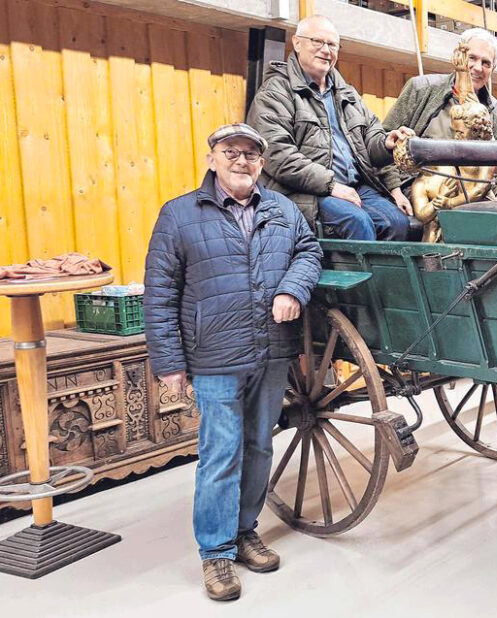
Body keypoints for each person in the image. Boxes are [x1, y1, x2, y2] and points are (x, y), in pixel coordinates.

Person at [144, 123, 322, 601]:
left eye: (250, 154)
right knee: (222, 454)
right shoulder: (179, 215)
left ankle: (245, 531)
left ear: (261, 163)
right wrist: (169, 363)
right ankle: (216, 554)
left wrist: (292, 288)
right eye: (231, 152)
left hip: (270, 350)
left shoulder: (282, 210)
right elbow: (160, 295)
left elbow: (309, 252)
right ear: (212, 159)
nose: (241, 161)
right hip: (214, 355)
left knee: (260, 446)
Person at [247, 15, 414, 239]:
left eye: (332, 44)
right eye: (317, 41)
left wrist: (386, 144)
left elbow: (370, 136)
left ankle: (381, 275)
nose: (326, 50)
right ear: (297, 43)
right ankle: (356, 275)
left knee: (397, 223)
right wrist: (331, 185)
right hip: (303, 191)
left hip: (353, 185)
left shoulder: (347, 93)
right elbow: (278, 155)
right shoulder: (275, 93)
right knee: (357, 222)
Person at [381, 27, 497, 201]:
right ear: (459, 57)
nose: (478, 68)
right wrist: (395, 189)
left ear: (493, 68)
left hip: (473, 193)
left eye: (486, 63)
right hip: (420, 187)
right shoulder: (420, 89)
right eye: (472, 58)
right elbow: (384, 142)